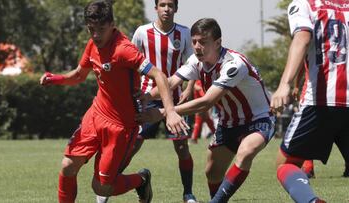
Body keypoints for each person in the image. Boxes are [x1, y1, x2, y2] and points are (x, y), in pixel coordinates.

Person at [39, 1, 188, 203]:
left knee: (101, 187)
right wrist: (56, 78)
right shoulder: (93, 44)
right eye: (92, 30)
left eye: (101, 29)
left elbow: (159, 75)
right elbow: (79, 76)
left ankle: (142, 180)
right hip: (95, 116)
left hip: (121, 127)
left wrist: (170, 111)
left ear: (112, 25)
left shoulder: (124, 50)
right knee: (67, 166)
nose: (96, 35)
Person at [138, 18, 276, 202]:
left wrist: (165, 112)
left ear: (218, 43)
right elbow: (170, 82)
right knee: (212, 173)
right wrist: (144, 97)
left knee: (246, 152)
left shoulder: (233, 64)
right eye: (194, 41)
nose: (196, 46)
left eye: (203, 42)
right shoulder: (196, 61)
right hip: (228, 123)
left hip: (258, 120)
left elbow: (207, 102)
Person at [270, 0, 349, 202]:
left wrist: (285, 84)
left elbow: (302, 39)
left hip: (321, 101)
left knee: (285, 164)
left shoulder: (304, 4)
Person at [125, 1, 197, 202]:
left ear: (176, 8)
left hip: (174, 100)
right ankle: (107, 186)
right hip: (147, 98)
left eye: (170, 5)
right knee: (132, 145)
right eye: (163, 4)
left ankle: (188, 193)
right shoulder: (141, 32)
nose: (167, 9)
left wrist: (189, 88)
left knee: (182, 147)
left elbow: (192, 63)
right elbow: (130, 63)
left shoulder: (184, 33)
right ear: (156, 8)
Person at [293, 65, 349, 179]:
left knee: (308, 132)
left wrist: (295, 85)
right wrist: (295, 85)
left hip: (325, 96)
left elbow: (300, 66)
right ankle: (308, 167)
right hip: (323, 96)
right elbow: (301, 66)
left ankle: (307, 168)